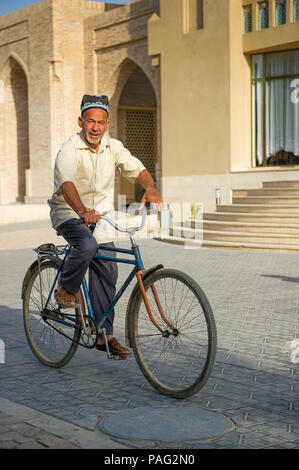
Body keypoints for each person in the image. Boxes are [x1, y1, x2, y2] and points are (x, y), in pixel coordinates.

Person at [48, 94, 163, 357]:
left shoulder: (114, 147)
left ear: (107, 124)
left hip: (100, 218)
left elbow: (138, 170)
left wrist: (152, 188)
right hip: (69, 212)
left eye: (100, 122)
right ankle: (66, 286)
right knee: (86, 244)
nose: (95, 127)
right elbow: (67, 185)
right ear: (81, 121)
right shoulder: (68, 149)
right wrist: (81, 211)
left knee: (108, 271)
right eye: (90, 121)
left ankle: (103, 335)